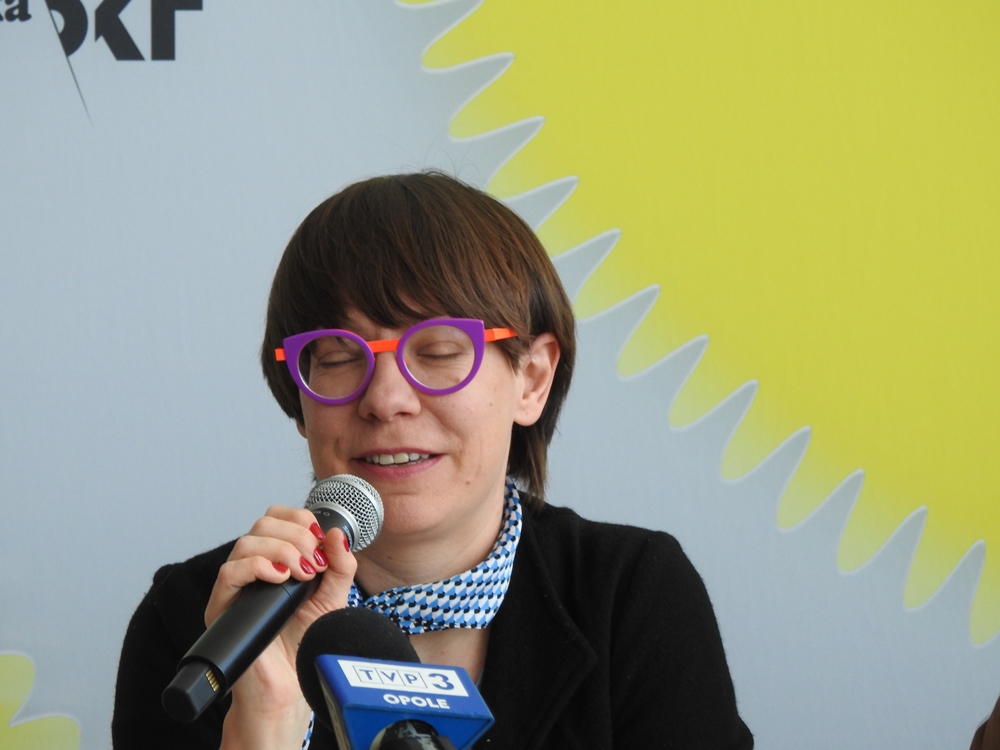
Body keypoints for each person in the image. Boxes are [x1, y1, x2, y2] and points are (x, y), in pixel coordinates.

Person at [112, 172, 754, 749]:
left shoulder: (632, 595)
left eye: (440, 350)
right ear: (298, 397)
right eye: (338, 357)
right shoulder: (196, 627)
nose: (385, 399)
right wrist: (266, 720)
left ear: (532, 378)